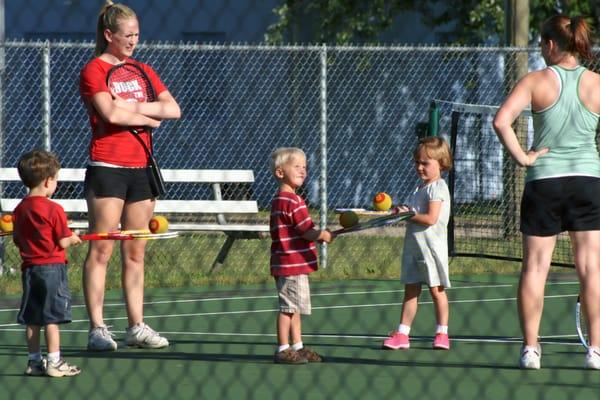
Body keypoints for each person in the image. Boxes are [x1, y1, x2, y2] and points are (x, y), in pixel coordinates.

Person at [493, 15, 600, 370]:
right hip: (588, 181)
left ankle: (531, 350)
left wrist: (524, 158)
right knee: (591, 269)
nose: (540, 49)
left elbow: (501, 121)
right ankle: (596, 350)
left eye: (541, 43)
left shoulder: (535, 80)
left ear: (551, 45)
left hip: (544, 181)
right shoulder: (597, 84)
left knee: (535, 268)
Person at [79, 1, 181, 351]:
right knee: (102, 250)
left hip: (142, 170)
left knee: (135, 252)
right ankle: (97, 329)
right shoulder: (95, 69)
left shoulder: (142, 70)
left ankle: (136, 325)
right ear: (109, 35)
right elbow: (108, 113)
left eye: (137, 34)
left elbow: (172, 109)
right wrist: (146, 116)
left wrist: (133, 110)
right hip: (108, 167)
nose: (133, 41)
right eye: (127, 35)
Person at [14, 149, 83, 377]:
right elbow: (63, 241)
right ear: (47, 181)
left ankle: (34, 362)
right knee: (51, 318)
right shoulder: (54, 209)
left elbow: (17, 239)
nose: (56, 185)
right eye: (55, 180)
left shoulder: (20, 209)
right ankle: (54, 361)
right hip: (52, 269)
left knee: (33, 319)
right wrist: (73, 237)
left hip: (30, 270)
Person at [383, 136, 453, 351]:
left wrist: (408, 215)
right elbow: (416, 213)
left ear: (441, 163)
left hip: (431, 250)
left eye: (425, 163)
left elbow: (430, 218)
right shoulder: (420, 189)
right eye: (417, 163)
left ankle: (442, 333)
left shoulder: (438, 187)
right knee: (411, 291)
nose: (420, 167)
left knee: (436, 291)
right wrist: (403, 210)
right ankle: (403, 334)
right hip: (414, 249)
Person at [270, 147, 334, 364]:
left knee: (293, 307)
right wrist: (322, 235)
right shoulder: (293, 201)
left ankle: (297, 346)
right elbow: (305, 230)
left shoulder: (279, 199)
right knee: (288, 309)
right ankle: (283, 348)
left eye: (305, 167)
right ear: (280, 172)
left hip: (288, 262)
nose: (303, 170)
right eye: (296, 166)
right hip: (291, 263)